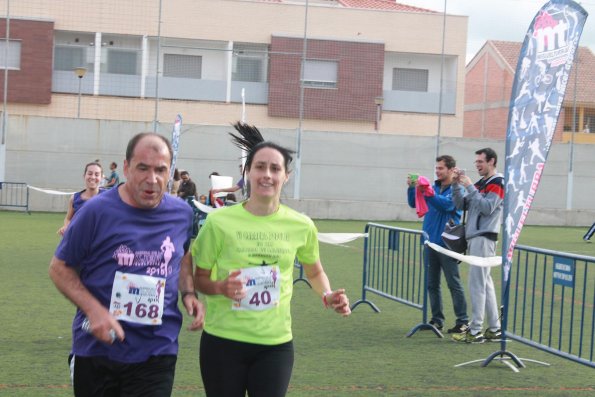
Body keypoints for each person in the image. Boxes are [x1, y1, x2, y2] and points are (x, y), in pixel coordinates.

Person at [189, 121, 351, 397]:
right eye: (260, 167)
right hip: (222, 342)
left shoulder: (301, 225)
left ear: (285, 176)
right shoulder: (218, 222)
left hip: (275, 345)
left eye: (275, 169)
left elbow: (314, 272)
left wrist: (327, 294)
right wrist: (220, 288)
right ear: (247, 172)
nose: (267, 174)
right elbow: (199, 278)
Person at [49, 132, 205, 396]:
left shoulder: (182, 213)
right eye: (142, 168)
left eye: (161, 170)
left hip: (157, 350)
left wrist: (189, 292)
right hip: (99, 349)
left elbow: (184, 256)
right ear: (126, 167)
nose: (152, 179)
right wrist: (94, 310)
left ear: (170, 173)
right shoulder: (95, 211)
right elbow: (59, 268)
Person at [407, 155, 468, 333]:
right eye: (436, 168)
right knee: (431, 284)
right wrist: (412, 188)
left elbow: (448, 206)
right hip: (429, 242)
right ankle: (436, 319)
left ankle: (462, 321)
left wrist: (429, 193)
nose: (437, 171)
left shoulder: (457, 190)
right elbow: (413, 203)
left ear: (451, 170)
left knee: (453, 283)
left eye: (441, 168)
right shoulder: (432, 187)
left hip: (447, 244)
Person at [451, 147, 504, 344]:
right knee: (486, 284)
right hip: (478, 237)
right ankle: (494, 329)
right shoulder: (483, 183)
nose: (477, 166)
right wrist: (457, 185)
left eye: (480, 162)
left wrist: (470, 187)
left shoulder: (498, 182)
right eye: (476, 162)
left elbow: (488, 207)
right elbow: (460, 204)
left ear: (492, 161)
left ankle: (475, 331)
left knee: (477, 284)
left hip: (484, 237)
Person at [58, 162, 105, 236]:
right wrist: (66, 227)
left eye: (97, 174)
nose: (93, 177)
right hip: (80, 242)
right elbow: (68, 219)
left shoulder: (108, 197)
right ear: (84, 176)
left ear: (101, 177)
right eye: (89, 173)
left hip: (101, 243)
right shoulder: (75, 198)